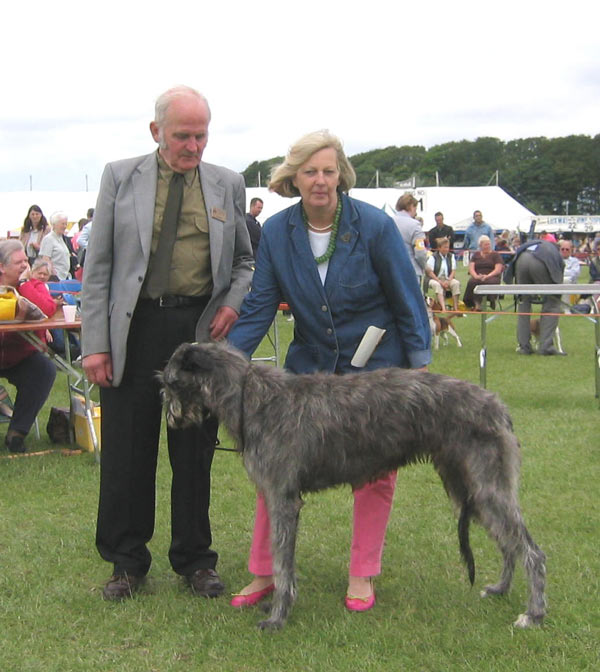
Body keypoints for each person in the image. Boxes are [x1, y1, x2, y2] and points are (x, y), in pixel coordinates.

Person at [227, 130, 431, 612]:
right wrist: (227, 362)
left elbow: (408, 299)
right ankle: (265, 572)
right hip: (309, 370)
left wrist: (419, 368)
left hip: (378, 367)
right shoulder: (277, 232)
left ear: (342, 176)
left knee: (376, 472)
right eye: (310, 171)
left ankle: (363, 574)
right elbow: (259, 305)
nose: (321, 181)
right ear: (293, 178)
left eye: (329, 171)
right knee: (274, 471)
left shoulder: (375, 226)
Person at [81, 85, 254, 602]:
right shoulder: (119, 177)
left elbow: (244, 261)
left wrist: (231, 304)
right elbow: (100, 268)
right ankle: (127, 562)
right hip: (131, 332)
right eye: (183, 135)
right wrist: (96, 343)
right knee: (127, 455)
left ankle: (196, 560)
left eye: (201, 135)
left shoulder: (228, 184)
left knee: (194, 453)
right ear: (157, 132)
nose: (194, 146)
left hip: (198, 336)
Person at [0, 241, 57, 453]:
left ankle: (17, 433)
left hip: (20, 356)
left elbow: (47, 309)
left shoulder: (34, 285)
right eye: (18, 262)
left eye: (26, 260)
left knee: (44, 370)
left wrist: (24, 285)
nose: (25, 265)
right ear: (2, 267)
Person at [504, 239, 565, 356]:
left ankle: (523, 346)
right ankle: (546, 347)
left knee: (523, 303)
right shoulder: (554, 251)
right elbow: (558, 278)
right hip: (542, 261)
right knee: (552, 303)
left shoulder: (535, 243)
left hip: (521, 261)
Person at [391, 192, 427, 282]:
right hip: (411, 271)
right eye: (415, 208)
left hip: (392, 270)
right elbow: (420, 253)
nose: (416, 211)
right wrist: (425, 266)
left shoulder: (389, 221)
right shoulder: (415, 225)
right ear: (411, 206)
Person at [462, 235, 504, 310]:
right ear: (480, 245)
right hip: (478, 276)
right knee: (472, 282)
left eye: (489, 244)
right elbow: (471, 268)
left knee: (489, 282)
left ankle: (492, 300)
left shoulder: (495, 255)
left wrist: (487, 276)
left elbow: (498, 269)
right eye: (486, 244)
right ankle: (476, 304)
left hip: (492, 276)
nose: (488, 246)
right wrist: (476, 276)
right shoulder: (476, 255)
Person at [424, 237, 461, 312]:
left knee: (456, 283)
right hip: (433, 278)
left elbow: (453, 271)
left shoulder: (451, 256)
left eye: (447, 247)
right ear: (439, 248)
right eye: (444, 247)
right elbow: (429, 272)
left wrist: (448, 280)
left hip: (447, 278)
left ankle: (455, 308)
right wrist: (439, 281)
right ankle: (443, 308)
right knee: (437, 285)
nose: (446, 249)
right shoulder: (433, 257)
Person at [39, 211, 71, 280]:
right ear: (54, 224)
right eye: (62, 224)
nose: (65, 226)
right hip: (55, 278)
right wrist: (53, 273)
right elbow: (45, 259)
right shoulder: (48, 239)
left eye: (66, 224)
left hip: (64, 276)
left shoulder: (62, 238)